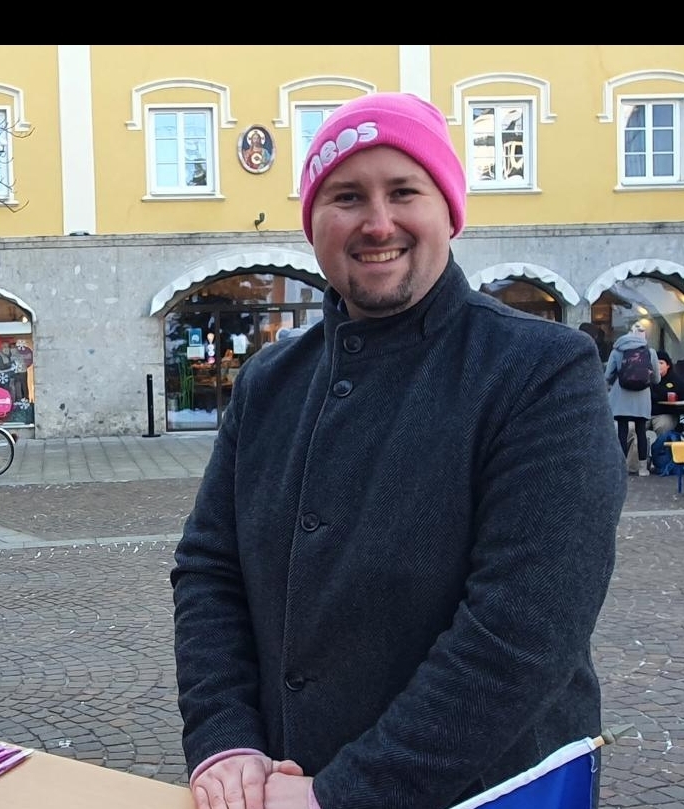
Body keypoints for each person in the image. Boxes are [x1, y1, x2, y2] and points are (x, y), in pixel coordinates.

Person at [171, 92, 625, 809]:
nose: (376, 222)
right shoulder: (269, 380)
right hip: (281, 786)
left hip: (483, 792)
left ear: (447, 209)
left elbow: (525, 626)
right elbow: (210, 571)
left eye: (404, 191)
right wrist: (225, 739)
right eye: (346, 195)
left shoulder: (541, 369)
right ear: (313, 222)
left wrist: (348, 793)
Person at [604, 322, 660, 476]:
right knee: (641, 431)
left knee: (622, 431)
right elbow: (656, 379)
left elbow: (607, 376)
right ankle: (642, 468)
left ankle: (621, 467)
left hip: (621, 397)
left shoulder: (617, 351)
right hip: (642, 398)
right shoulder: (651, 352)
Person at [650, 349, 682, 437]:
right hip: (647, 413)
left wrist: (659, 396)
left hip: (667, 413)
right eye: (655, 363)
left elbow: (679, 395)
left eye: (661, 363)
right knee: (631, 427)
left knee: (662, 426)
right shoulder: (647, 379)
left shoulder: (676, 380)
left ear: (668, 365)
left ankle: (660, 450)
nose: (658, 366)